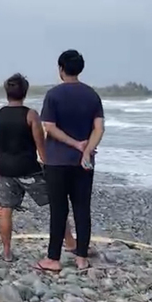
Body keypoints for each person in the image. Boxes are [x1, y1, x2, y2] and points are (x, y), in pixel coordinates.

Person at [36, 50, 105, 272]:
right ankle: (81, 257)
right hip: (83, 163)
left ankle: (53, 258)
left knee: (59, 209)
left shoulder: (54, 95)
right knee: (82, 208)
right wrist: (87, 150)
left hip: (57, 160)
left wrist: (74, 144)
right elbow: (99, 128)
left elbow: (50, 127)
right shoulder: (92, 95)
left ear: (60, 69)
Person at [0, 74, 53, 262]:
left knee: (6, 209)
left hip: (5, 170)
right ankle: (70, 243)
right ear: (25, 92)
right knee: (55, 204)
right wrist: (49, 165)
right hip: (29, 169)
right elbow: (41, 146)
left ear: (7, 92)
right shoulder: (31, 115)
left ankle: (7, 251)